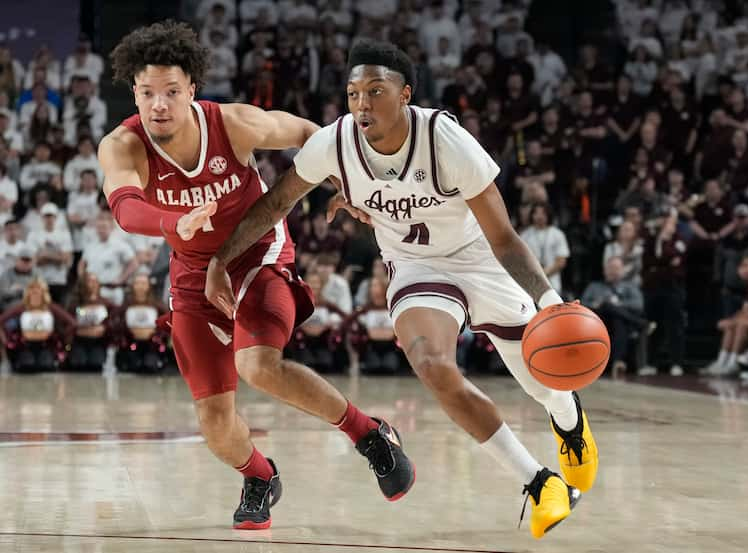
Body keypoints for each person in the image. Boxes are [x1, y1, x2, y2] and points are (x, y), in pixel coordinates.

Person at [206, 39, 596, 539]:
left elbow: (504, 237)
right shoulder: (336, 141)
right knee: (433, 367)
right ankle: (539, 483)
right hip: (415, 268)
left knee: (542, 377)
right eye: (352, 94)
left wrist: (550, 304)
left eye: (375, 91)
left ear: (405, 94)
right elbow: (275, 203)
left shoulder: (445, 139)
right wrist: (222, 259)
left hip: (480, 259)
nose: (362, 103)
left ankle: (569, 422)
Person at [99, 22, 414, 531]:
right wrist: (171, 223)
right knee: (215, 424)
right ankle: (261, 476)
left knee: (258, 365)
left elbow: (313, 135)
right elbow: (125, 206)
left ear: (191, 91)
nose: (159, 104)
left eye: (171, 92)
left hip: (258, 254)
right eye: (147, 93)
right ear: (133, 91)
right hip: (192, 275)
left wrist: (346, 182)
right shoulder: (122, 144)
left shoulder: (233, 124)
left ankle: (370, 434)